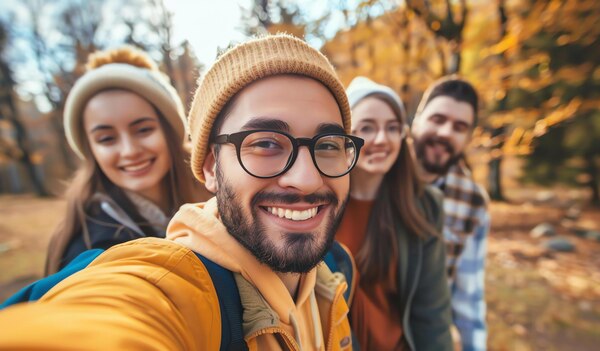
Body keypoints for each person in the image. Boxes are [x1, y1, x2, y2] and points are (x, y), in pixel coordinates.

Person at [0, 34, 364, 350]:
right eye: (266, 142)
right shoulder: (173, 281)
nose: (305, 178)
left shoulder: (334, 274)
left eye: (328, 145)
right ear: (210, 168)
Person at [45, 46, 208, 274]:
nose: (129, 151)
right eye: (107, 138)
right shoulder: (89, 248)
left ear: (170, 131)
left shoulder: (219, 197)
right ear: (91, 150)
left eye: (143, 130)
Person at [334, 76, 452, 351]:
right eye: (367, 127)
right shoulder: (320, 203)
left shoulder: (425, 205)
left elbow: (432, 311)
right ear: (345, 136)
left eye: (392, 128)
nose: (381, 139)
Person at [410, 76, 490, 351]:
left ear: (467, 138)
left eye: (459, 127)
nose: (445, 132)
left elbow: (469, 294)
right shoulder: (378, 173)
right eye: (438, 119)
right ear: (417, 120)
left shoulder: (473, 202)